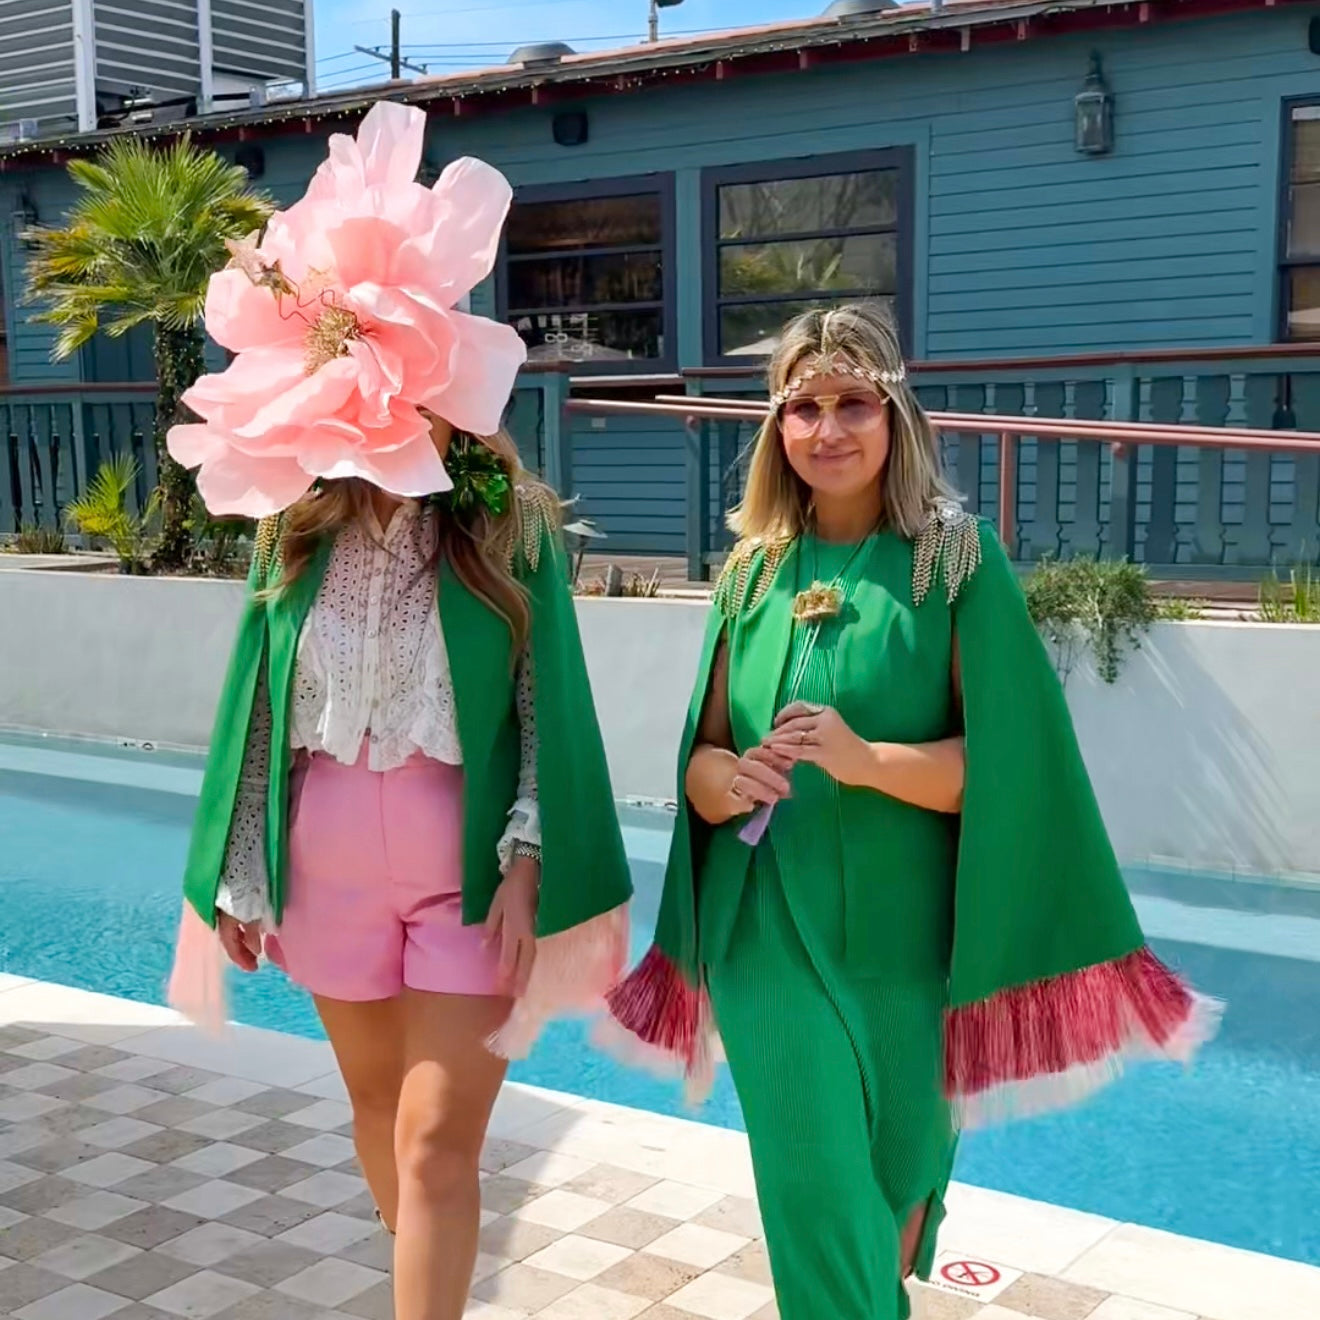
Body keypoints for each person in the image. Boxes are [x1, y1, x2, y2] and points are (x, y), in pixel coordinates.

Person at [602, 303, 1219, 1320]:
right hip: (767, 933)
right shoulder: (748, 576)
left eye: (853, 403)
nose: (828, 429)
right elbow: (704, 758)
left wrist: (867, 759)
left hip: (913, 941)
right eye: (804, 407)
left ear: (896, 418)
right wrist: (731, 781)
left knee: (890, 1196)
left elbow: (1010, 771)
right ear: (776, 427)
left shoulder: (957, 562)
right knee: (817, 1197)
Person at [166, 101, 632, 1320]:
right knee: (380, 1120)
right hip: (324, 866)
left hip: (464, 867)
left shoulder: (505, 527)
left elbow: (547, 705)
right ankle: (426, 1270)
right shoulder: (291, 524)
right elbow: (260, 708)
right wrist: (239, 866)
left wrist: (531, 855)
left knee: (437, 1145)